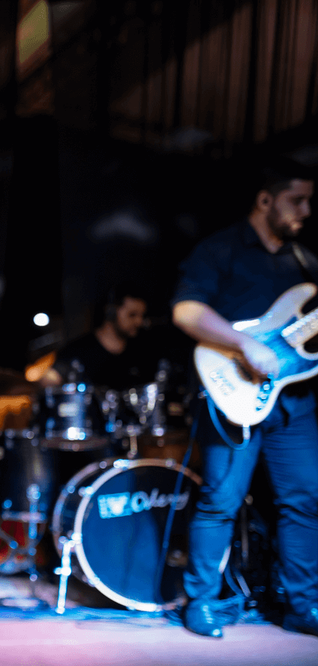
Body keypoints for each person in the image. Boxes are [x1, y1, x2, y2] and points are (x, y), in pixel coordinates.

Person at [172, 157, 318, 638]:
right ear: (265, 200)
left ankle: (303, 605)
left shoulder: (304, 262)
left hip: (294, 402)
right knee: (221, 500)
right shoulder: (222, 249)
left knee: (305, 501)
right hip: (232, 394)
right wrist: (244, 343)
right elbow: (188, 311)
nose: (306, 210)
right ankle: (202, 603)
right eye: (297, 200)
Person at [41, 283, 153, 389]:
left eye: (141, 316)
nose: (139, 322)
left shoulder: (142, 353)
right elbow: (50, 379)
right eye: (132, 315)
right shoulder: (78, 350)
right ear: (111, 312)